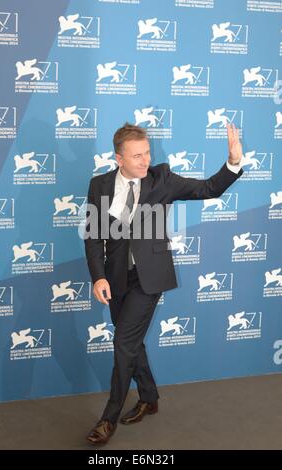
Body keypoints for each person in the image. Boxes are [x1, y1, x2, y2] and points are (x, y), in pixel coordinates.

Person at [84, 122, 243, 445]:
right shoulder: (99, 185)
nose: (145, 161)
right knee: (132, 343)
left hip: (149, 278)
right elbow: (93, 236)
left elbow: (208, 188)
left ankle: (108, 418)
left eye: (147, 153)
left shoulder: (162, 180)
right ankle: (149, 397)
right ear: (119, 158)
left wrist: (233, 162)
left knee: (123, 344)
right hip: (116, 278)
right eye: (137, 156)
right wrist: (98, 276)